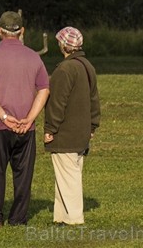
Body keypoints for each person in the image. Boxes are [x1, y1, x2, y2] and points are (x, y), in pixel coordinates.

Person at [0, 11, 50, 227]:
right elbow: (44, 90)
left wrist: (4, 116)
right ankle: (18, 218)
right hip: (26, 129)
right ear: (22, 31)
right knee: (23, 176)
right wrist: (29, 119)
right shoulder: (34, 57)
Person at [44, 27, 101, 226]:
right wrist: (93, 126)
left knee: (69, 176)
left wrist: (50, 129)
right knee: (65, 175)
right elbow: (94, 99)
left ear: (62, 45)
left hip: (66, 133)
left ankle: (75, 219)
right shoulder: (87, 66)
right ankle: (61, 216)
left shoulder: (64, 69)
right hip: (82, 132)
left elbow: (57, 103)